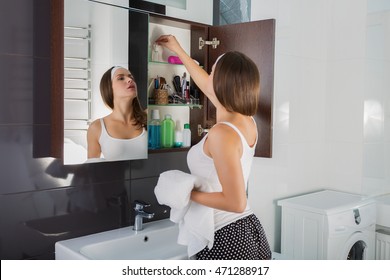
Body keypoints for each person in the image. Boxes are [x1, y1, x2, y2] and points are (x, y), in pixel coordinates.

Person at [156, 35, 272, 260]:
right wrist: (178, 50)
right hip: (247, 231)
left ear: (221, 83)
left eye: (212, 73)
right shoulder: (247, 121)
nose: (207, 77)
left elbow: (235, 202)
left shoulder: (222, 133)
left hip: (224, 237)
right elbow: (207, 87)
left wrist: (188, 194)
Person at [87, 66, 147, 161]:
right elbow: (92, 170)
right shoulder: (97, 127)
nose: (129, 80)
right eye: (121, 78)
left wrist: (176, 50)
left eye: (131, 77)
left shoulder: (149, 119)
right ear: (109, 88)